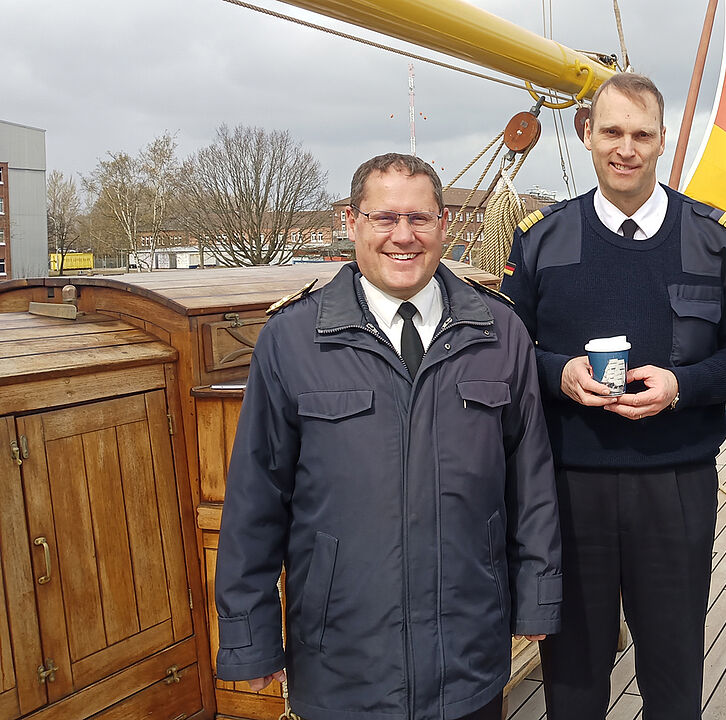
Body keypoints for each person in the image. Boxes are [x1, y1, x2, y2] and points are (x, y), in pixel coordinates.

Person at [214, 153, 562, 720]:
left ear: (445, 225)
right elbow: (256, 499)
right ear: (351, 223)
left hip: (466, 657)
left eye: (420, 219)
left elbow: (532, 482)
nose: (404, 236)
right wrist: (248, 639)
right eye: (385, 218)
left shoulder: (500, 333)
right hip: (343, 662)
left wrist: (539, 600)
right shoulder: (293, 339)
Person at [500, 72, 726, 720]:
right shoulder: (540, 238)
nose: (627, 148)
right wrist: (560, 372)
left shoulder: (714, 238)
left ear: (661, 141)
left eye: (642, 134)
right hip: (569, 488)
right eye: (613, 131)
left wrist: (684, 387)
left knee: (674, 680)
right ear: (587, 133)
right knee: (572, 680)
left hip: (675, 484)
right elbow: (507, 353)